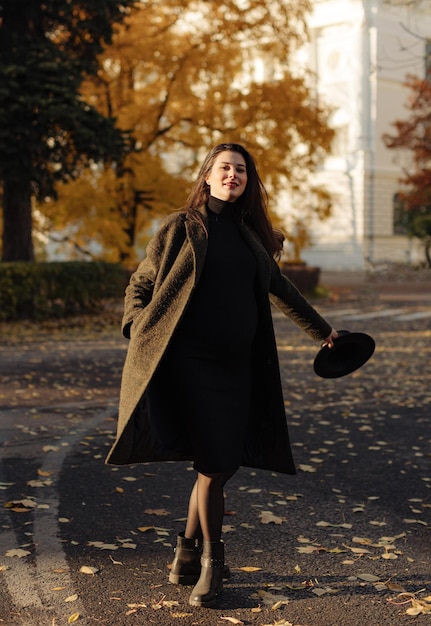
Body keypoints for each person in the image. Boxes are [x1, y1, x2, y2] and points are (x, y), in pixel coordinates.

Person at [106, 142, 338, 608]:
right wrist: (136, 324)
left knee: (223, 463)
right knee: (213, 466)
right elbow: (142, 282)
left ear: (248, 182)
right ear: (207, 177)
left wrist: (325, 332)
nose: (233, 175)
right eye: (225, 168)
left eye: (241, 171)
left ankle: (185, 553)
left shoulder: (253, 237)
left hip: (241, 368)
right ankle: (212, 564)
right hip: (191, 366)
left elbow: (282, 290)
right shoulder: (181, 227)